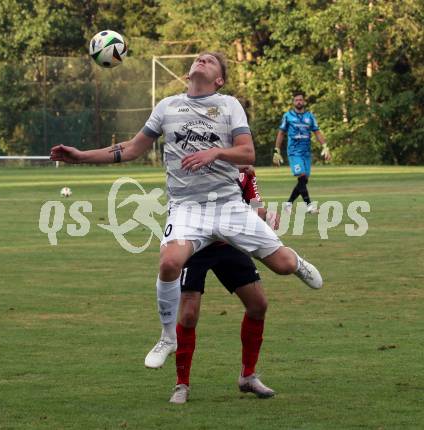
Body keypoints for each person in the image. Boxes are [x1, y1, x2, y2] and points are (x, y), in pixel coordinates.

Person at [51, 52, 323, 390]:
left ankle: (297, 261)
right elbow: (132, 148)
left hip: (227, 206)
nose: (201, 60)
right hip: (186, 209)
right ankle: (167, 337)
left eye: (209, 60)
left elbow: (248, 154)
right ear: (188, 73)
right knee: (168, 262)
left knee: (282, 266)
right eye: (199, 58)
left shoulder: (228, 105)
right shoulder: (167, 106)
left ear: (219, 79)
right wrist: (81, 157)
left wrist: (216, 152)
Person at [168, 166, 278, 404]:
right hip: (194, 242)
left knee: (258, 304)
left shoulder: (246, 173)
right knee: (188, 314)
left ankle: (247, 376)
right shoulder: (201, 159)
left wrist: (265, 215)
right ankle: (182, 384)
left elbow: (254, 204)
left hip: (228, 242)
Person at [273, 92, 331, 214]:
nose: (299, 102)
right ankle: (309, 206)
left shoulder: (309, 116)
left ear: (304, 102)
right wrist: (276, 150)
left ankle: (288, 203)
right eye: (296, 100)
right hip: (294, 152)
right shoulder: (288, 116)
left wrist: (325, 146)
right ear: (293, 102)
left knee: (303, 180)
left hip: (306, 152)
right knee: (302, 176)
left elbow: (317, 132)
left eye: (301, 100)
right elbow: (281, 133)